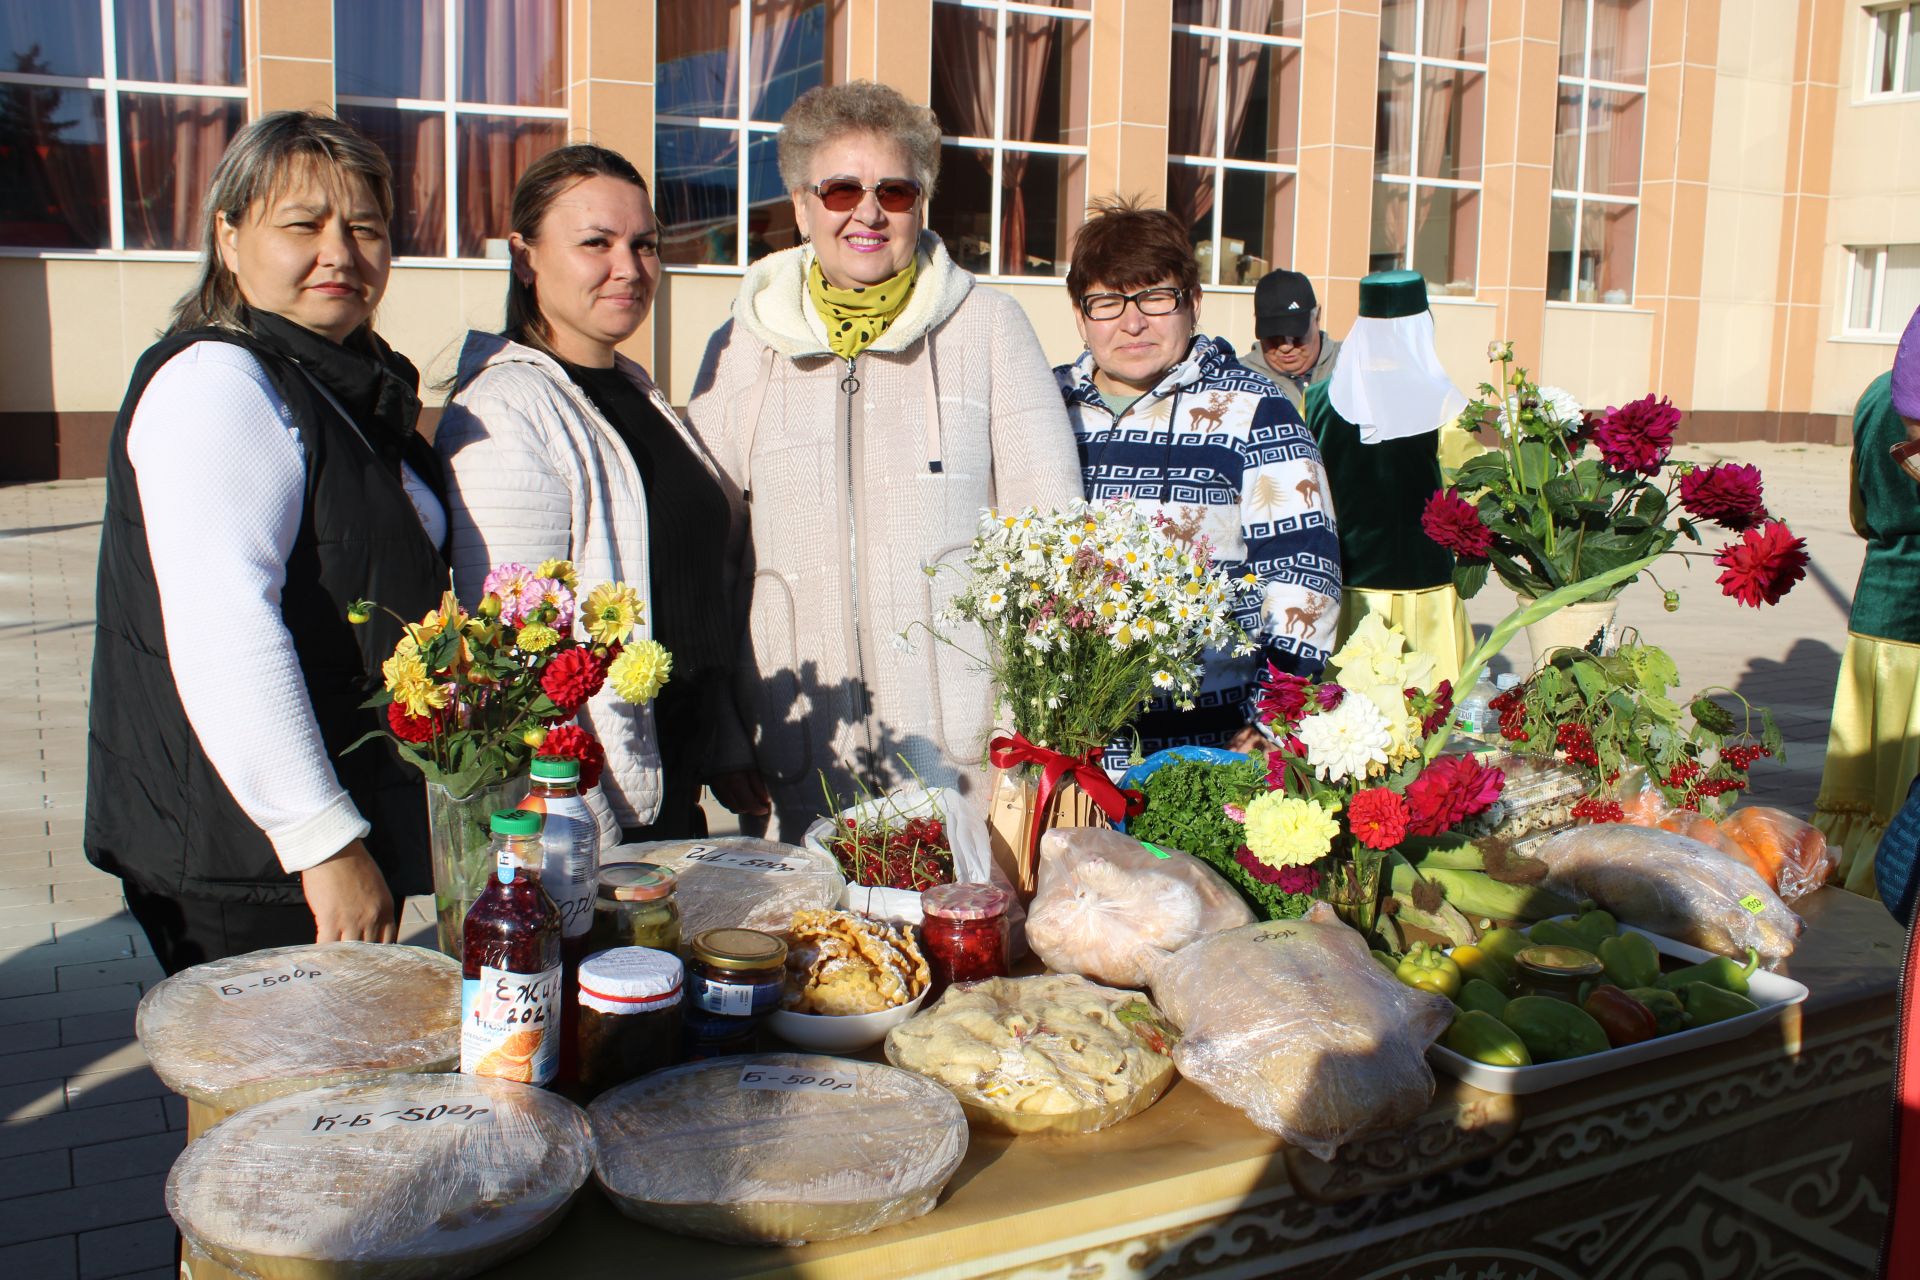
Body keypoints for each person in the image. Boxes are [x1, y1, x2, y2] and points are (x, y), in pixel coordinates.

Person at [84, 111, 446, 974]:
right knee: (287, 1103)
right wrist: (322, 840)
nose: (341, 252)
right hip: (253, 859)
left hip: (307, 833)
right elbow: (223, 628)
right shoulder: (219, 383)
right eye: (303, 224)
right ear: (230, 237)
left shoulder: (333, 383)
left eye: (365, 227)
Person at [685, 80, 1083, 839]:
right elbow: (712, 558)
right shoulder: (742, 346)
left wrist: (1032, 729)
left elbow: (1051, 543)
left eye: (893, 191)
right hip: (798, 742)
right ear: (801, 206)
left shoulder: (991, 328)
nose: (867, 212)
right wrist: (728, 732)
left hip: (965, 753)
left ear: (921, 205)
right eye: (840, 189)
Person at [436, 145, 767, 842]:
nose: (630, 268)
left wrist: (724, 745)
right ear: (525, 257)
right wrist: (586, 845)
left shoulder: (635, 390)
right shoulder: (508, 409)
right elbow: (517, 662)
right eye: (597, 243)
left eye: (644, 244)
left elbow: (690, 590)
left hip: (670, 778)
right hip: (594, 810)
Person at [1056, 198, 1341, 767]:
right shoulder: (1043, 407)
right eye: (1107, 302)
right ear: (1080, 313)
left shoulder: (1255, 411)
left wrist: (1271, 719)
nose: (1132, 322)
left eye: (1156, 297)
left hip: (1206, 748)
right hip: (1067, 750)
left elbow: (1305, 574)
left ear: (1194, 303)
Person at [1305, 269, 1473, 687]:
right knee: (1437, 717)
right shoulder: (1443, 405)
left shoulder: (1319, 399)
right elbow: (1473, 488)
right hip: (1427, 593)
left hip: (1349, 596)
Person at [1816, 305, 1920, 896]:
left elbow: (1859, 513)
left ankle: (1853, 870)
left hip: (1879, 599)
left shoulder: (1878, 394)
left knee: (1869, 768)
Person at [1234, 268, 1340, 416]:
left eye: (1295, 334)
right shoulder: (1237, 379)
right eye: (1273, 336)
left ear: (1317, 316)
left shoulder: (1351, 365)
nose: (1285, 346)